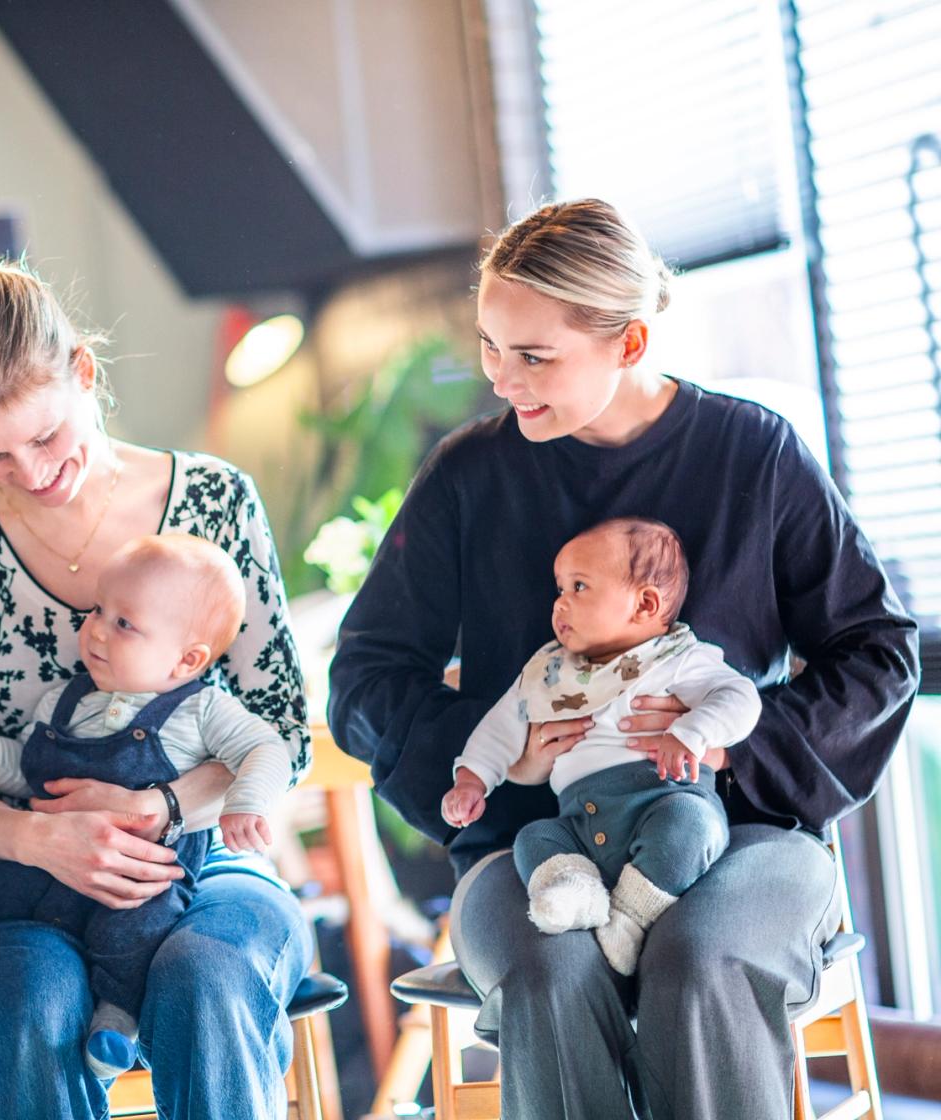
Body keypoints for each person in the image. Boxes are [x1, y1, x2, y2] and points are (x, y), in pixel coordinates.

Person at [328, 198, 919, 1119]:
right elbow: (366, 682)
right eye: (489, 346)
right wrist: (505, 761)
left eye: (534, 356)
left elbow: (878, 654)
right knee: (551, 970)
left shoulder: (754, 454)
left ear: (631, 342)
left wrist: (727, 746)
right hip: (532, 845)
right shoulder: (468, 477)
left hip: (742, 834)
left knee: (701, 958)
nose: (502, 380)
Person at [0, 257, 313, 1119]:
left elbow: (282, 729)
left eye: (46, 436)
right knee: (26, 1002)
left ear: (83, 371)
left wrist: (160, 808)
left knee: (205, 976)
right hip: (24, 885)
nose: (32, 471)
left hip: (206, 863)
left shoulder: (214, 503)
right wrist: (38, 839)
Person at [0, 533, 292, 1080]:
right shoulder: (64, 700)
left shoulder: (203, 710)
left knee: (141, 930)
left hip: (138, 876)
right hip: (44, 865)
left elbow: (269, 747)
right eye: (97, 611)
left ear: (188, 659)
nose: (96, 630)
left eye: (123, 623)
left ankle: (116, 1022)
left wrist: (245, 804)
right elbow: (19, 772)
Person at [441, 517, 760, 974]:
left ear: (645, 604)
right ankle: (577, 891)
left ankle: (630, 917)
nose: (560, 602)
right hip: (579, 824)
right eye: (560, 589)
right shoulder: (551, 671)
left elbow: (740, 698)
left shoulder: (676, 659)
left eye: (579, 586)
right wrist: (471, 779)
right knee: (533, 840)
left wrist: (690, 734)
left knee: (693, 826)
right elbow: (501, 726)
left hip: (664, 798)